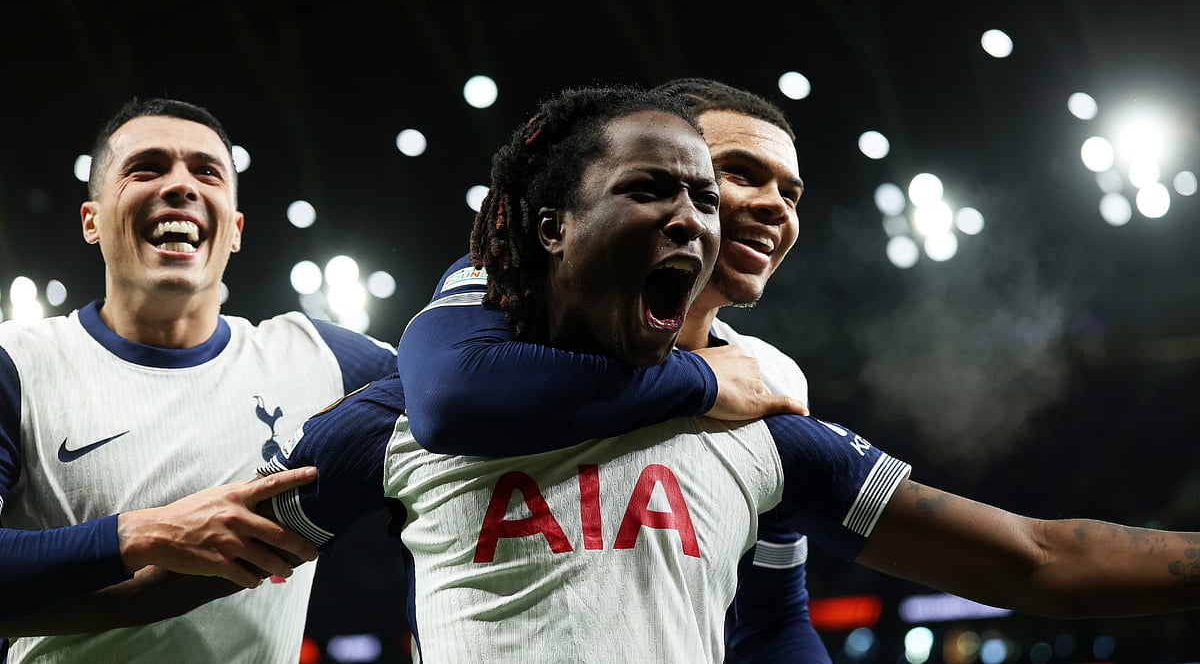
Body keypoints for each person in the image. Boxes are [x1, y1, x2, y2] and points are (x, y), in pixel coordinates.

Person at [248, 84, 1200, 661]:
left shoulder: (766, 409)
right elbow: (450, 398)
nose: (759, 209)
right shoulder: (460, 339)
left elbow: (1023, 560)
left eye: (783, 190)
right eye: (714, 174)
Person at [396, 77, 825, 661]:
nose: (776, 205)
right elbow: (450, 393)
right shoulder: (510, 302)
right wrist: (701, 383)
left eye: (791, 193)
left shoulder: (770, 377)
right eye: (741, 174)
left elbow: (774, 616)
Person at [0, 97, 398, 663]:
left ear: (234, 230)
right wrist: (145, 533)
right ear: (91, 220)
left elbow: (456, 382)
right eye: (147, 167)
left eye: (206, 172)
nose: (181, 185)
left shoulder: (323, 359)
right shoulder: (17, 363)